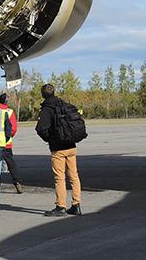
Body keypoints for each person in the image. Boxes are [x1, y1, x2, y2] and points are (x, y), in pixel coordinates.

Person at [35, 84, 82, 216]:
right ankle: (76, 204)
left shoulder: (47, 109)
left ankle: (61, 206)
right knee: (74, 175)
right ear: (54, 92)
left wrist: (50, 139)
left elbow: (41, 129)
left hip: (58, 149)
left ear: (43, 94)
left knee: (59, 178)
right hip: (71, 145)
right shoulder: (63, 104)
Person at [0, 94, 23, 194]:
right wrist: (9, 136)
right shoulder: (10, 112)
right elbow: (13, 128)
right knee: (11, 164)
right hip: (6, 144)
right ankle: (17, 183)